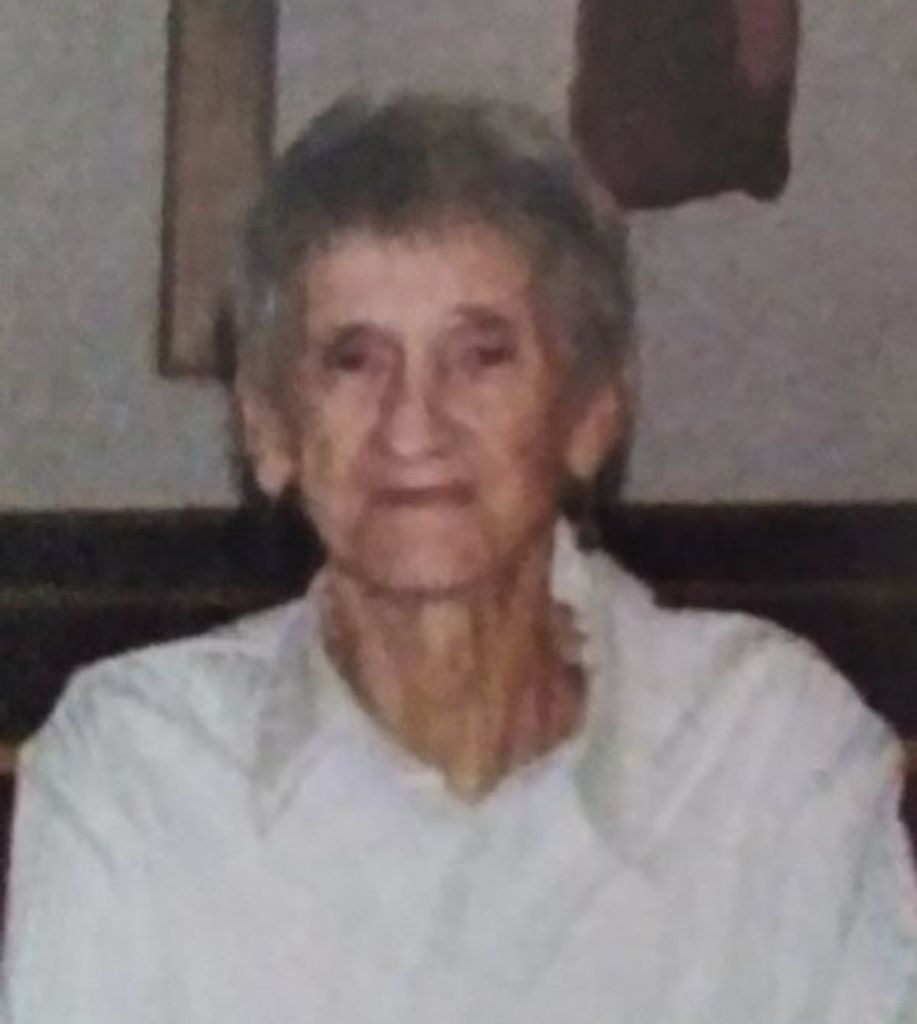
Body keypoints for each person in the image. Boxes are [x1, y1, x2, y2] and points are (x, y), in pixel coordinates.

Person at [2, 94, 915, 1023]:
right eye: (353, 360)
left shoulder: (768, 754)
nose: (412, 426)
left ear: (591, 411)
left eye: (481, 356)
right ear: (268, 429)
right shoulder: (139, 769)